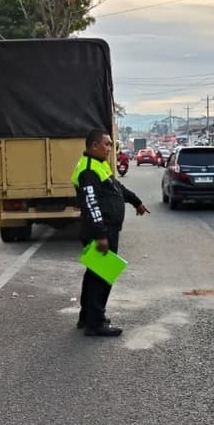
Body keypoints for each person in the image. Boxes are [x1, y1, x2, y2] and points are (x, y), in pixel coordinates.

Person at [71, 129, 149, 337]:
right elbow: (91, 205)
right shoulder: (88, 170)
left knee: (94, 274)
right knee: (102, 277)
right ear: (94, 145)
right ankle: (95, 324)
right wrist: (101, 235)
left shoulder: (98, 165)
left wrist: (136, 201)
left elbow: (117, 188)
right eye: (106, 144)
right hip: (100, 230)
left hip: (106, 229)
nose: (109, 148)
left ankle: (87, 317)